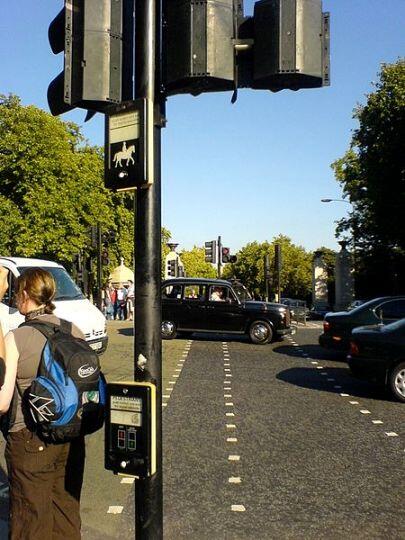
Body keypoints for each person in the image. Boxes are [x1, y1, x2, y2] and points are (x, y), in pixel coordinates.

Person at [0, 268, 85, 539]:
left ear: (25, 295)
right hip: (72, 434)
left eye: (17, 293)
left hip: (29, 437)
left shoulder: (15, 337)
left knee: (30, 517)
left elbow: (3, 403)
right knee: (65, 510)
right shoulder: (75, 330)